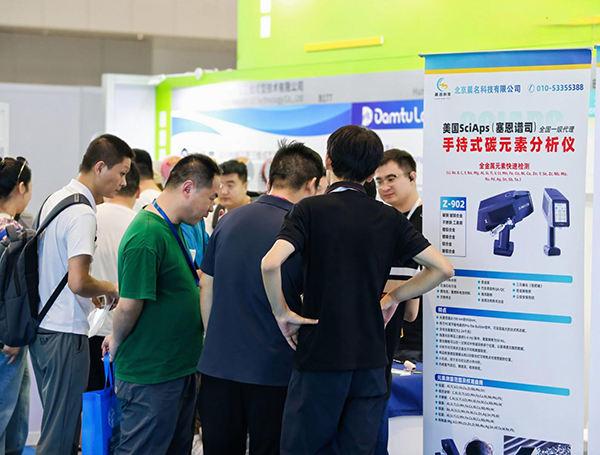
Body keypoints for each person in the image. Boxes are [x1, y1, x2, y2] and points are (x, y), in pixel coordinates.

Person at [261, 125, 454, 454]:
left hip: (319, 355)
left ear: (328, 161)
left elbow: (269, 263)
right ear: (371, 171)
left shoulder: (309, 209)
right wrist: (394, 297)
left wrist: (283, 313)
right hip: (370, 358)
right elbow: (443, 268)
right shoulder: (389, 217)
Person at [198, 141, 325, 455]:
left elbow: (207, 287)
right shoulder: (302, 229)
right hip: (274, 371)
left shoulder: (228, 221)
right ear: (312, 184)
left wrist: (215, 341)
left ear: (271, 178)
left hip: (218, 368)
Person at [103, 154, 220, 454]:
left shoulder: (173, 228)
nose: (211, 207)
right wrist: (116, 339)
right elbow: (129, 305)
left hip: (178, 369)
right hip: (151, 375)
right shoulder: (146, 234)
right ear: (188, 188)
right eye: (211, 197)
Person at [30, 134, 131, 455]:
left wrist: (93, 292)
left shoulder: (56, 198)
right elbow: (78, 280)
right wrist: (111, 288)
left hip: (44, 327)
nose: (123, 182)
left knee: (57, 427)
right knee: (60, 437)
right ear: (100, 167)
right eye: (121, 173)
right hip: (66, 332)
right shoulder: (83, 212)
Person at [373, 149, 423, 454]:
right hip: (388, 339)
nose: (384, 187)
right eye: (379, 181)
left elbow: (412, 309)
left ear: (412, 176)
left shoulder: (425, 220)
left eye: (391, 178)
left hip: (419, 342)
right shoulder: (383, 222)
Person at [87, 163, 140, 392]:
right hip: (125, 331)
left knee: (92, 402)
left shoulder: (90, 216)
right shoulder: (141, 224)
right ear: (137, 191)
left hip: (89, 328)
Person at [0, 157, 32, 455]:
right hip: (7, 338)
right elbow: (15, 290)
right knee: (6, 416)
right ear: (21, 187)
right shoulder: (13, 233)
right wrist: (12, 335)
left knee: (14, 414)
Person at [206, 159, 252, 234]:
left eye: (230, 185)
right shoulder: (211, 215)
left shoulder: (257, 215)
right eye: (220, 185)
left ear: (245, 186)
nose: (224, 192)